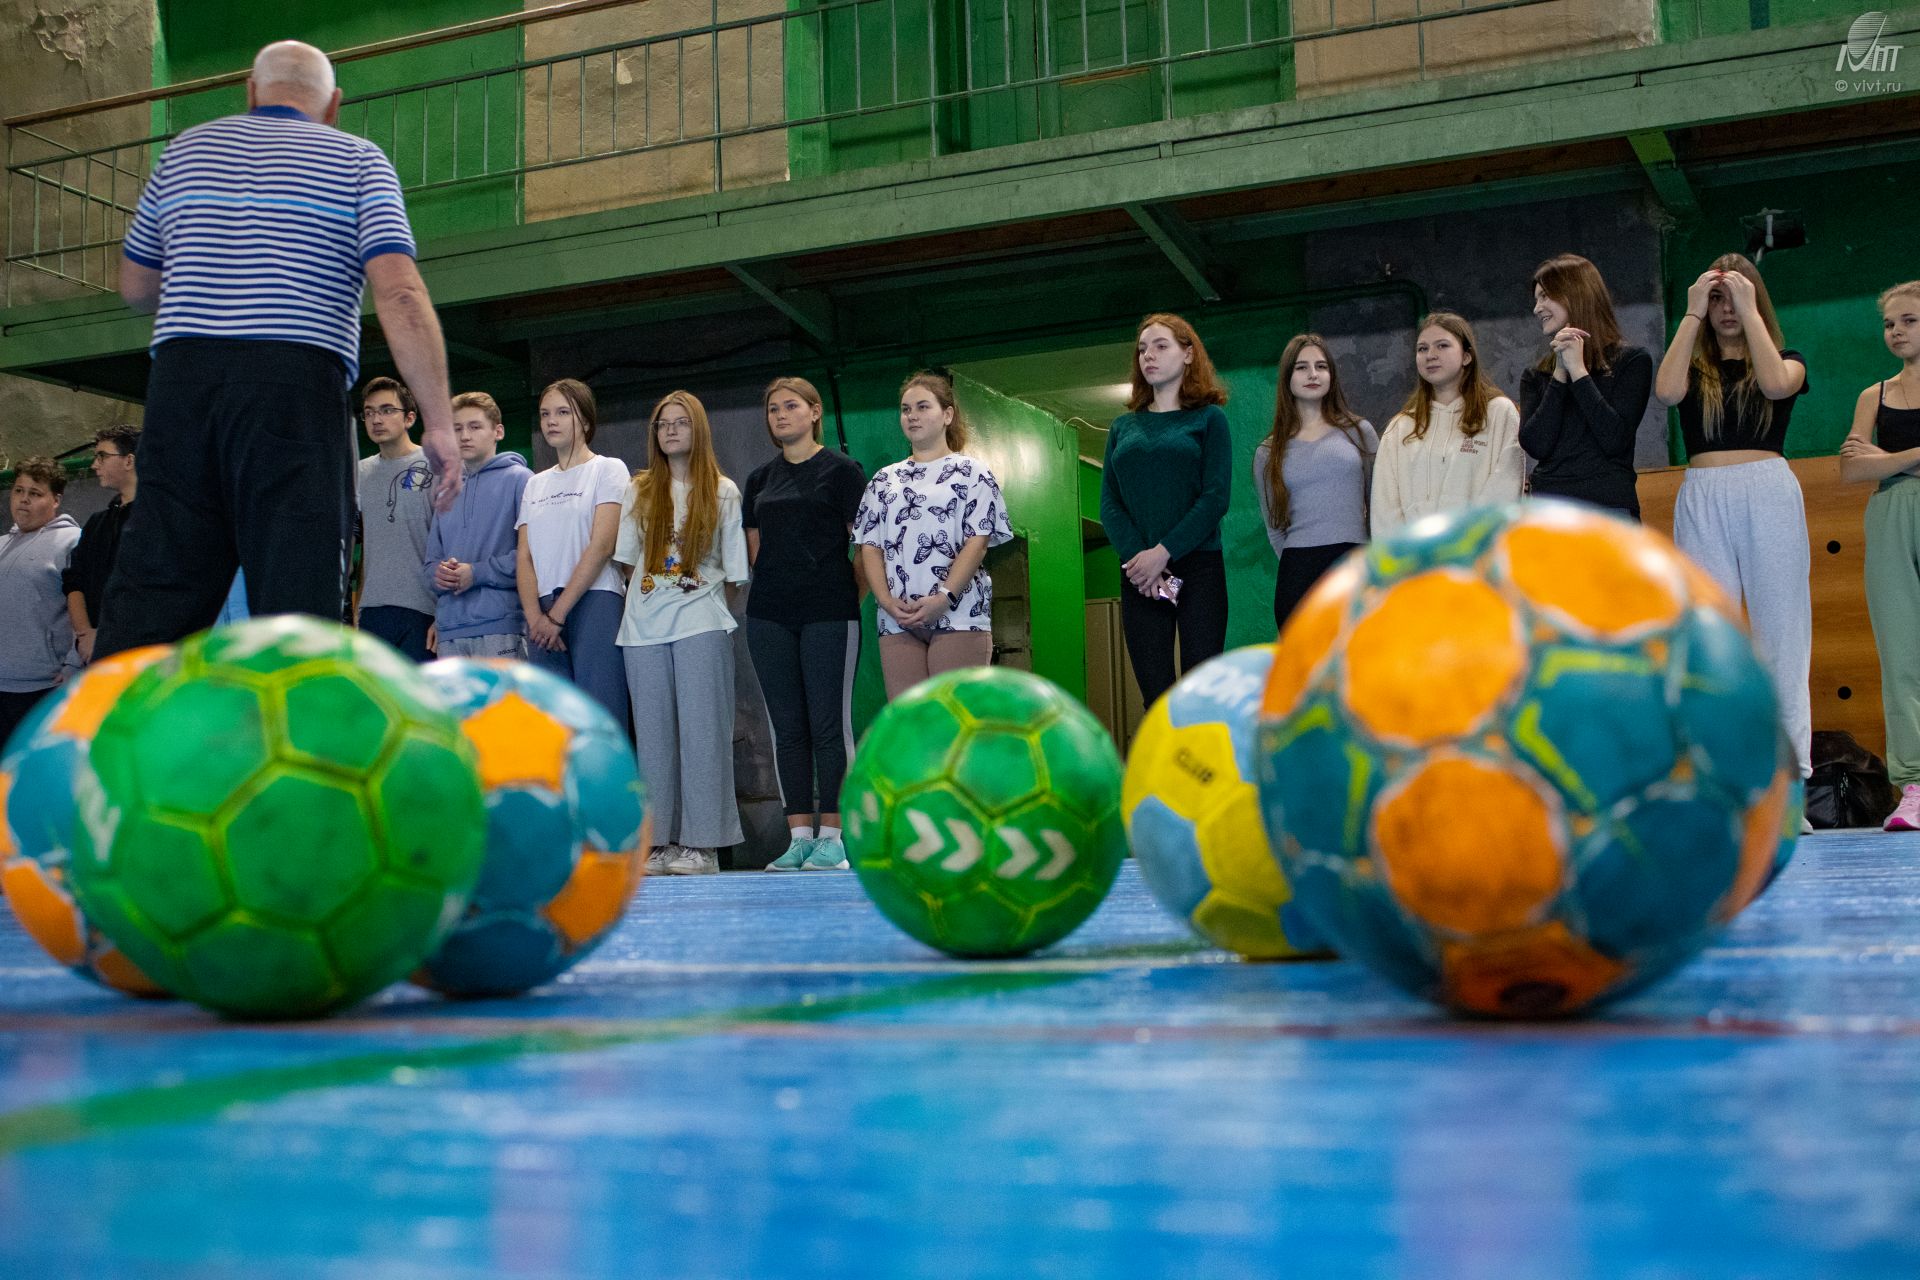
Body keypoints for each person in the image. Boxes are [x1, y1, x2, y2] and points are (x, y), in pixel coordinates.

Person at [97, 40, 459, 660]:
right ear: (333, 106)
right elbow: (399, 293)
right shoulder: (357, 159)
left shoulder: (185, 152)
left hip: (184, 384)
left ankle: (108, 721)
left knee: (152, 591)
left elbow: (135, 287)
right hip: (295, 384)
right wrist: (441, 425)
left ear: (251, 92)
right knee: (298, 601)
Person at [1654, 253, 1812, 783]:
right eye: (1717, 298)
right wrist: (1692, 310)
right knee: (1710, 635)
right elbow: (1666, 393)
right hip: (1703, 494)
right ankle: (1719, 775)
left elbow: (1776, 385)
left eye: (1735, 298)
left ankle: (1790, 779)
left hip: (1767, 491)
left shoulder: (1787, 359)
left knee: (1782, 634)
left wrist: (1748, 309)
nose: (1725, 309)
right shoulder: (1691, 365)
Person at [614, 392, 751, 876]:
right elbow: (627, 564)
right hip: (642, 630)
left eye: (680, 422)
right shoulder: (639, 490)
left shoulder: (724, 491)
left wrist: (698, 606)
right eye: (662, 424)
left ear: (699, 429)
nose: (670, 430)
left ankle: (702, 846)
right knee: (653, 741)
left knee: (703, 737)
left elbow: (735, 576)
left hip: (702, 624)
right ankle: (658, 844)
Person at [743, 377, 868, 873]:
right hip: (769, 616)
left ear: (815, 412)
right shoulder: (759, 479)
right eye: (773, 408)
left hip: (829, 613)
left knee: (829, 726)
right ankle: (798, 837)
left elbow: (864, 548)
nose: (780, 414)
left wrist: (842, 600)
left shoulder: (843, 471)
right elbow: (756, 551)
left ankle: (833, 838)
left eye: (791, 406)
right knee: (787, 729)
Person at [1099, 314, 1234, 708]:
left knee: (1200, 692)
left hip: (1199, 568)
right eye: (1142, 349)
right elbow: (1109, 503)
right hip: (1139, 573)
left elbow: (1215, 497)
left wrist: (1164, 552)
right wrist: (1140, 559)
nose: (1148, 356)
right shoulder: (1122, 428)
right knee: (1155, 694)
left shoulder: (1209, 419)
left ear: (1188, 354)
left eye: (1161, 346)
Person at [855, 372, 1012, 699]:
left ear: (947, 415)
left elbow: (978, 543)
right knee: (911, 722)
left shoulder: (973, 474)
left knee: (953, 720)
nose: (912, 416)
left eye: (923, 407)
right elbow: (870, 546)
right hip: (898, 619)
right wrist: (886, 601)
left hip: (959, 615)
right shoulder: (884, 480)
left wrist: (944, 598)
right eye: (906, 409)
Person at [1840, 280, 1920, 830]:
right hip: (1890, 515)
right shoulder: (1875, 395)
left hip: (1892, 486)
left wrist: (1885, 457)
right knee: (1902, 657)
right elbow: (1851, 469)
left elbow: (1869, 460)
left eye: (1909, 320)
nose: (1896, 331)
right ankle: (1915, 784)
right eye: (1890, 323)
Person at [516, 378, 630, 733]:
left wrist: (558, 615)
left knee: (601, 717)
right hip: (543, 613)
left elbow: (602, 545)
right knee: (553, 727)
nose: (551, 421)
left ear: (585, 419)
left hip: (594, 601)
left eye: (563, 412)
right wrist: (536, 618)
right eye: (545, 414)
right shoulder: (534, 483)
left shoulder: (608, 469)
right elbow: (524, 556)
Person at [1254, 335, 1376, 630]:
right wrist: (1300, 564)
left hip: (1354, 564)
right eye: (1302, 367)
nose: (1313, 374)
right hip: (1298, 571)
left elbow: (1377, 504)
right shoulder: (1268, 451)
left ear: (1331, 376)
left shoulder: (1360, 432)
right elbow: (1274, 528)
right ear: (1287, 378)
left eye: (1321, 366)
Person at [1518, 254, 1654, 519]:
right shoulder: (1536, 375)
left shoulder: (1632, 361)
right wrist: (1560, 372)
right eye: (1536, 299)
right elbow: (1536, 445)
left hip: (1608, 507)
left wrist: (1579, 372)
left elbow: (1614, 440)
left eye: (1545, 296)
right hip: (1548, 510)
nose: (1537, 308)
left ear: (1575, 294)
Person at [1371, 312, 1524, 536]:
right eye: (1422, 349)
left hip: (1479, 549)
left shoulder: (1499, 412)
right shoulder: (1401, 427)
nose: (1430, 355)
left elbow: (1505, 489)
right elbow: (1384, 509)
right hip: (1417, 554)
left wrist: (1466, 544)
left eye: (1442, 346)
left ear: (1466, 356)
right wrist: (1405, 553)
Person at [424, 392, 531, 659]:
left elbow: (533, 557)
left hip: (502, 625)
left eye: (474, 427)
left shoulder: (521, 480)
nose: (465, 436)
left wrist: (477, 573)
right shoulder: (445, 489)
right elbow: (429, 564)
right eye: (457, 429)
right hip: (450, 630)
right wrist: (439, 575)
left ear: (498, 432)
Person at [356, 377, 438, 660]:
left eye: (387, 410)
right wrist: (357, 608)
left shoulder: (437, 465)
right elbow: (363, 545)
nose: (376, 419)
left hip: (425, 610)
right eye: (369, 412)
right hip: (372, 611)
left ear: (410, 418)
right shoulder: (359, 474)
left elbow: (454, 541)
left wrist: (446, 613)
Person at [0, 460, 81, 745]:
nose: (24, 499)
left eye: (35, 493)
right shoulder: (1, 544)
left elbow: (87, 604)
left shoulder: (72, 541)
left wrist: (74, 663)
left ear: (55, 500)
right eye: (18, 491)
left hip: (41, 687)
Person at [64, 425, 140, 665]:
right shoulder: (97, 523)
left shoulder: (157, 521)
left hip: (138, 655)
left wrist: (108, 636)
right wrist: (85, 635)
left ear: (129, 460)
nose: (94, 465)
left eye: (102, 456)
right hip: (93, 653)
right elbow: (74, 581)